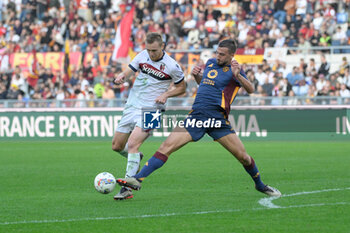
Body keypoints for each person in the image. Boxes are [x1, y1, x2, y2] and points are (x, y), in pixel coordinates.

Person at [116, 40, 281, 197]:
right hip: (196, 115)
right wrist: (197, 77)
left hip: (217, 118)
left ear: (231, 55)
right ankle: (137, 179)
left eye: (222, 54)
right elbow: (205, 84)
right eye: (218, 53)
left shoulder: (235, 68)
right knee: (166, 146)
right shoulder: (210, 63)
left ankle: (259, 184)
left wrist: (238, 75)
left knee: (243, 157)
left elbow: (251, 89)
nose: (218, 56)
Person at [111, 32, 186, 200]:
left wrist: (166, 94)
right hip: (132, 105)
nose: (151, 54)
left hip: (152, 110)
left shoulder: (172, 66)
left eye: (154, 50)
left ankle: (127, 188)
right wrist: (123, 76)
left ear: (162, 47)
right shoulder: (142, 56)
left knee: (132, 144)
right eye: (148, 50)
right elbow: (129, 71)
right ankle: (136, 158)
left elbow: (182, 88)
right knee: (116, 146)